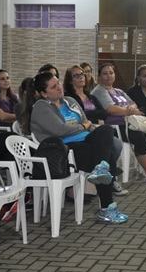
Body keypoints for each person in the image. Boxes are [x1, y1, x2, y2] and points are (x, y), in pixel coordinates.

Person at [28, 71, 129, 223]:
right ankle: (106, 209)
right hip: (65, 148)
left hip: (85, 141)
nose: (59, 88)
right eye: (53, 87)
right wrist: (83, 126)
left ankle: (101, 173)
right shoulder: (41, 107)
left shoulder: (70, 101)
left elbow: (87, 121)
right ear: (44, 93)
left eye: (58, 83)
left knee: (106, 130)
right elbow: (61, 130)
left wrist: (86, 126)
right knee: (106, 158)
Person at [91, 63, 146, 183]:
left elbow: (133, 103)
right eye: (105, 73)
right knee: (139, 137)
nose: (109, 76)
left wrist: (131, 108)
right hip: (117, 127)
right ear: (99, 77)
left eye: (111, 73)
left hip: (130, 123)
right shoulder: (100, 91)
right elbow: (112, 110)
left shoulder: (118, 91)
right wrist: (129, 111)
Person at [64, 65, 127, 196]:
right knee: (110, 145)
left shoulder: (89, 95)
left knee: (115, 142)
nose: (81, 77)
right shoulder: (69, 98)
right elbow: (82, 116)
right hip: (84, 130)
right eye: (77, 75)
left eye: (82, 74)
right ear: (70, 80)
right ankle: (108, 177)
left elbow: (103, 113)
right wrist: (93, 120)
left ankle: (103, 174)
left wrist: (94, 118)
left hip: (93, 128)